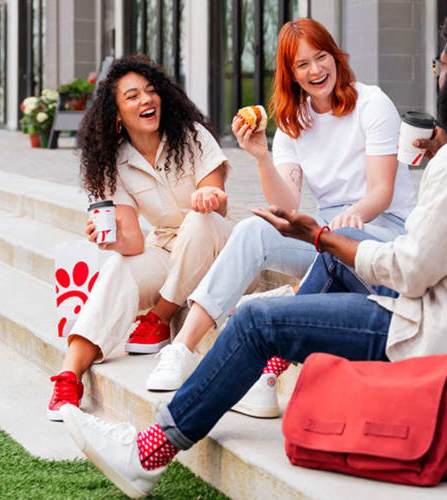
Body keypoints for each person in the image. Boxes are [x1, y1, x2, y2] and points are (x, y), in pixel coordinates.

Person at [59, 6, 447, 497]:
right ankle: (245, 368)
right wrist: (327, 238)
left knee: (258, 320)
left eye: (440, 66)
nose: (438, 75)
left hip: (436, 334)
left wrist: (327, 240)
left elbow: (411, 271)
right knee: (313, 262)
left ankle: (149, 452)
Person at [145, 18, 417, 417]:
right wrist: (261, 156)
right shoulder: (293, 121)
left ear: (336, 57)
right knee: (254, 229)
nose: (315, 71)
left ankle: (266, 374)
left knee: (336, 246)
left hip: (382, 232)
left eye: (321, 57)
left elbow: (381, 191)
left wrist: (346, 222)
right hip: (325, 234)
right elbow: (286, 207)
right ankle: (183, 347)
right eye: (302, 65)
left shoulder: (373, 104)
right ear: (290, 74)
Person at [46, 55, 234, 420]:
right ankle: (69, 375)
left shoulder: (193, 136)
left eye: (150, 91)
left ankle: (160, 316)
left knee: (199, 221)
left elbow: (218, 202)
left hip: (217, 244)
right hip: (167, 248)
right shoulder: (115, 161)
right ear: (117, 114)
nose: (146, 100)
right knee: (118, 265)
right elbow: (132, 241)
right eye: (132, 96)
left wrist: (208, 198)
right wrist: (108, 240)